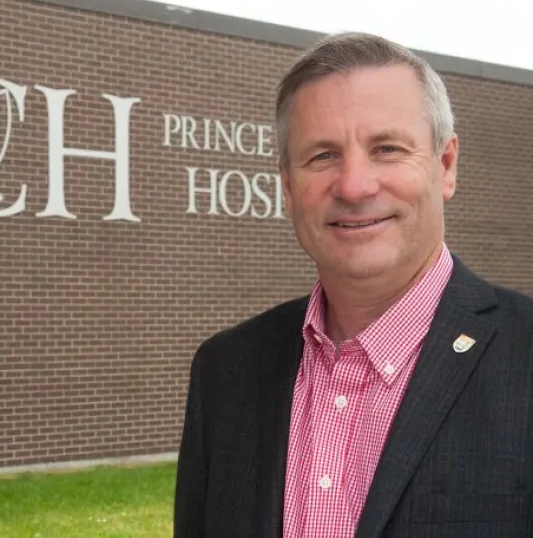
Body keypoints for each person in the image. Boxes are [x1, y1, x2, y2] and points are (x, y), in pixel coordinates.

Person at [173, 32, 533, 537]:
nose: (354, 185)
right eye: (322, 156)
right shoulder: (225, 372)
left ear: (445, 165)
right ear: (287, 187)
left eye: (386, 148)